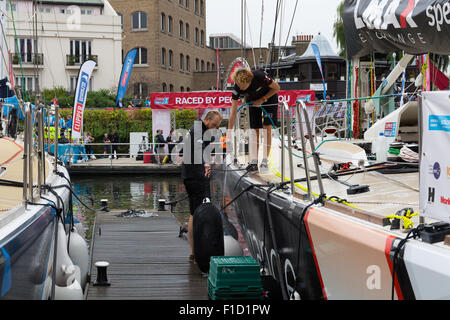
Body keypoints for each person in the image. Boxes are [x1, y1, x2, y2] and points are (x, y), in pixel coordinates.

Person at [182, 110, 223, 262]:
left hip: (192, 174)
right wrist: (206, 162)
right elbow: (198, 150)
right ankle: (197, 252)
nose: (214, 127)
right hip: (195, 176)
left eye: (217, 126)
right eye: (213, 124)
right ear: (207, 119)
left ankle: (194, 252)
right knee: (198, 212)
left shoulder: (200, 129)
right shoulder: (198, 129)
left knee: (195, 212)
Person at [227, 68, 280, 172]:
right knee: (254, 130)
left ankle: (265, 160)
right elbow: (233, 112)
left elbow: (277, 88)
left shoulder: (260, 77)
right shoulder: (237, 88)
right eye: (239, 86)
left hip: (269, 98)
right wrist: (229, 132)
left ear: (249, 81)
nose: (241, 89)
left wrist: (262, 99)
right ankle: (254, 161)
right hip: (252, 100)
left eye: (243, 86)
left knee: (266, 128)